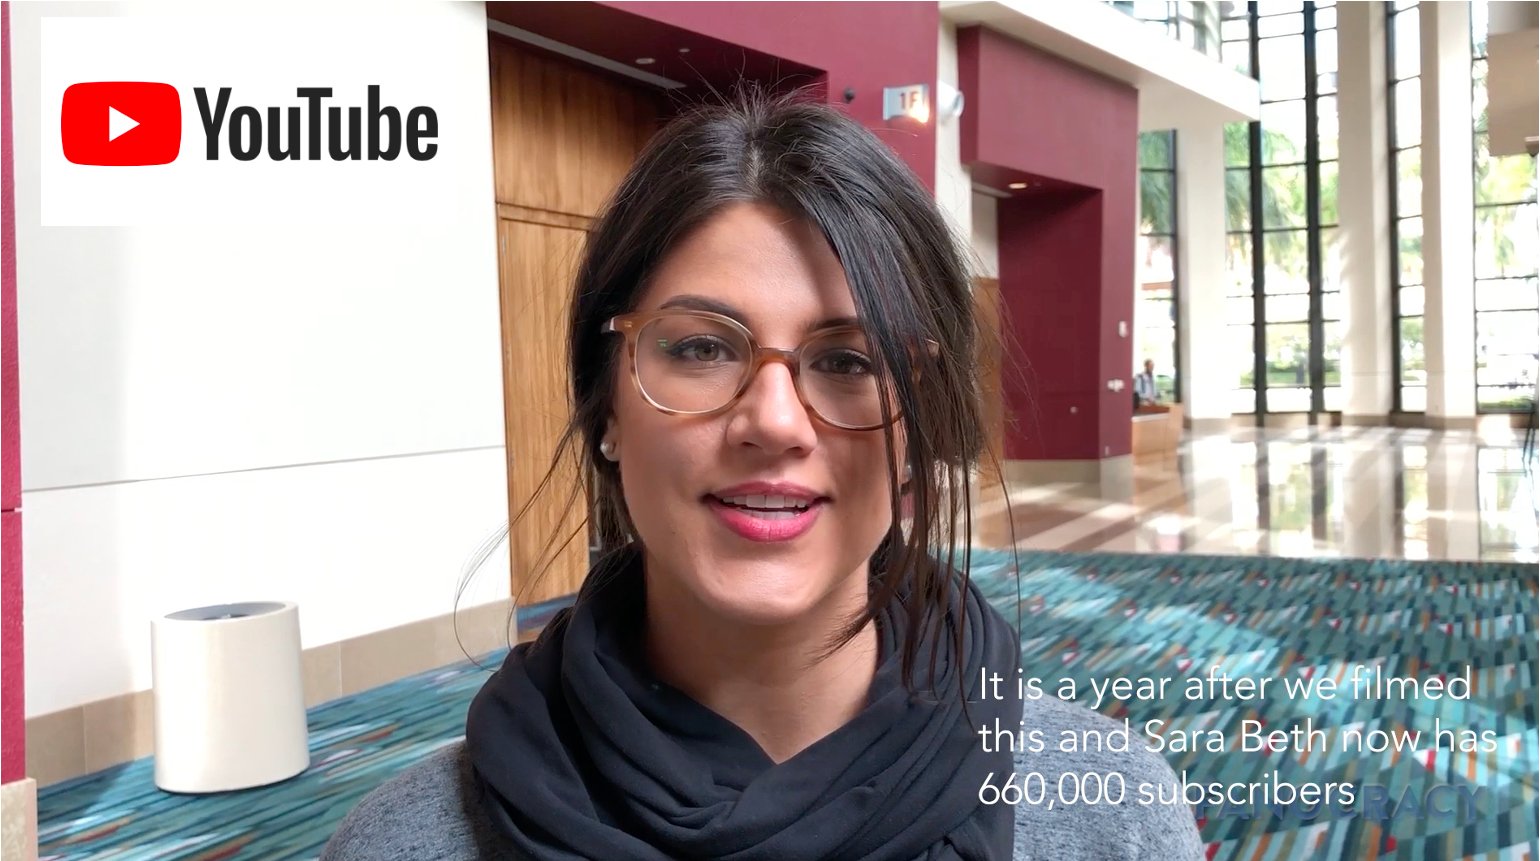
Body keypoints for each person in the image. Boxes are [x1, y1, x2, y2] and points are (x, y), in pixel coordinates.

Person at [321, 92, 1203, 861]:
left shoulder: (1111, 814)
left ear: (918, 428)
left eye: (849, 360)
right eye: (701, 348)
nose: (775, 421)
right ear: (606, 407)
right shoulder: (410, 840)